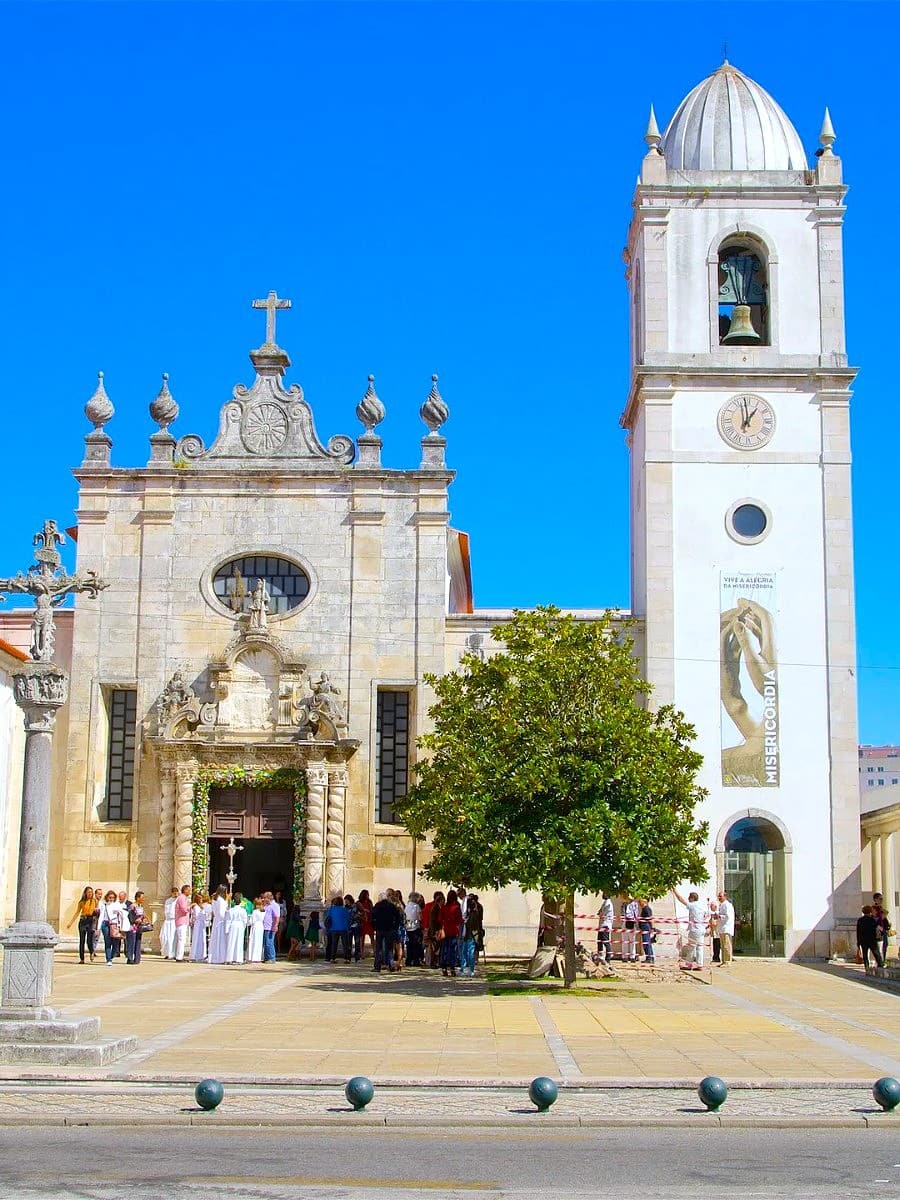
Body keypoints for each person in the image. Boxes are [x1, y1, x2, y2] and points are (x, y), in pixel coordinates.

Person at [673, 888, 710, 970]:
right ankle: (699, 964)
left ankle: (689, 964)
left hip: (694, 929)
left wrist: (675, 891)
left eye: (689, 897)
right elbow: (707, 915)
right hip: (701, 928)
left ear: (692, 898)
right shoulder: (702, 905)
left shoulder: (692, 905)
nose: (688, 899)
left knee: (691, 947)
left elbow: (680, 899)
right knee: (699, 947)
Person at [67, 885, 98, 963]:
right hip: (83, 921)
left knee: (89, 940)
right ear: (85, 893)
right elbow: (77, 912)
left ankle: (91, 952)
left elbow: (97, 912)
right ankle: (82, 958)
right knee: (82, 940)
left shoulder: (94, 901)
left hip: (90, 920)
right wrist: (70, 923)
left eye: (91, 892)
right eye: (88, 892)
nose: (90, 893)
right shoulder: (81, 902)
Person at [371, 891, 401, 971]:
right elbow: (398, 916)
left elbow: (372, 917)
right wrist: (395, 926)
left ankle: (377, 966)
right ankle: (391, 965)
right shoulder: (391, 906)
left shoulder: (377, 906)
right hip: (390, 929)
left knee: (379, 948)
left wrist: (374, 927)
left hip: (380, 929)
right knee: (389, 948)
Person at [440, 889, 463, 977]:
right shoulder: (456, 907)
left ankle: (444, 966)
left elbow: (440, 919)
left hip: (445, 930)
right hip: (453, 930)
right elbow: (459, 920)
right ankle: (452, 967)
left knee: (444, 949)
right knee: (452, 950)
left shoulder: (444, 907)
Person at [460, 894, 482, 977]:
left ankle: (469, 969)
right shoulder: (472, 914)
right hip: (468, 936)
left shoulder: (473, 915)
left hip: (470, 936)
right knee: (466, 952)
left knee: (469, 952)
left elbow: (473, 927)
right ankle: (466, 968)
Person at [325, 893, 351, 962]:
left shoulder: (330, 909)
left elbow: (327, 918)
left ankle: (333, 958)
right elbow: (348, 919)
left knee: (334, 944)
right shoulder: (345, 909)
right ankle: (347, 958)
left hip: (333, 928)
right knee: (345, 944)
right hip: (343, 928)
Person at [857, 904, 884, 970]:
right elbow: (877, 928)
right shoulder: (872, 920)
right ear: (870, 912)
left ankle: (867, 967)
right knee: (876, 953)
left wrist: (858, 941)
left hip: (863, 940)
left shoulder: (860, 920)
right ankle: (880, 965)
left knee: (865, 954)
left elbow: (858, 931)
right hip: (872, 939)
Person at [207, 885, 229, 965]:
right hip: (220, 921)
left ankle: (215, 956)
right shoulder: (220, 900)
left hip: (216, 920)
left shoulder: (214, 899)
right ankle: (220, 957)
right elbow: (221, 912)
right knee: (220, 939)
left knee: (216, 939)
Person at [225, 895, 249, 964]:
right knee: (239, 942)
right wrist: (243, 926)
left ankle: (230, 958)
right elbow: (245, 920)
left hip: (233, 925)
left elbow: (228, 920)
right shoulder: (243, 910)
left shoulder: (231, 910)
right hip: (240, 926)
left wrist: (227, 929)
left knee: (231, 942)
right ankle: (238, 959)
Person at [125, 891, 147, 964]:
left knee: (138, 941)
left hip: (139, 926)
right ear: (137, 898)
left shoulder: (140, 906)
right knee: (132, 942)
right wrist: (136, 920)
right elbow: (130, 916)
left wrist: (143, 919)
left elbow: (141, 915)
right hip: (133, 927)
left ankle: (137, 958)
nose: (143, 899)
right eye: (142, 897)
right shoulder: (132, 906)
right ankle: (130, 957)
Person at [716, 890, 735, 967]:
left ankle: (727, 961)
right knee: (723, 945)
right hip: (722, 928)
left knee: (727, 945)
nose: (719, 898)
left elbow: (728, 916)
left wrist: (719, 916)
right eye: (719, 896)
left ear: (725, 896)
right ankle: (724, 961)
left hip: (726, 928)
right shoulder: (721, 905)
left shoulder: (727, 905)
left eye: (721, 896)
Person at [426, 891, 445, 968]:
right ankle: (433, 963)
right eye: (443, 901)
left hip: (436, 930)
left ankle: (435, 962)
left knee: (436, 947)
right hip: (435, 931)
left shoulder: (436, 908)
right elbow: (433, 921)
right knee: (435, 948)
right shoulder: (435, 909)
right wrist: (434, 932)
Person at [173, 884, 192, 961]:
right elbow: (184, 909)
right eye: (189, 890)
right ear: (185, 890)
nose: (190, 891)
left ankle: (179, 955)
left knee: (181, 939)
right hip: (181, 921)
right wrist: (190, 906)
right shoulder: (182, 898)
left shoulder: (184, 898)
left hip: (183, 921)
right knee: (181, 939)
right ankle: (179, 957)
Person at [405, 893, 424, 967]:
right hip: (415, 927)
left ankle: (408, 960)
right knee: (416, 945)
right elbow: (420, 917)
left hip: (408, 926)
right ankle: (416, 960)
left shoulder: (407, 906)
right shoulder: (417, 906)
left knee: (409, 945)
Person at [873, 893, 892, 963]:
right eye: (880, 899)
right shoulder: (875, 908)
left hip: (883, 929)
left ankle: (883, 959)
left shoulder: (880, 908)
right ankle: (879, 961)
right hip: (879, 930)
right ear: (875, 900)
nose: (882, 900)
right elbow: (876, 918)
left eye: (882, 899)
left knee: (885, 945)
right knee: (880, 946)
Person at [190, 893, 209, 962]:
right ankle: (195, 955)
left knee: (202, 939)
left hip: (202, 924)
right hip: (198, 924)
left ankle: (201, 955)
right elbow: (197, 916)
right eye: (200, 899)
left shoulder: (201, 907)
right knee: (197, 938)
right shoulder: (195, 907)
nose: (201, 900)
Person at [160, 887, 178, 960]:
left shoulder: (178, 900)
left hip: (174, 921)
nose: (175, 894)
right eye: (174, 892)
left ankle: (173, 953)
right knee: (164, 937)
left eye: (176, 892)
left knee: (173, 938)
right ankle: (167, 953)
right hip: (167, 921)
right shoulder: (168, 901)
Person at [262, 891, 281, 962]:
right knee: (265, 943)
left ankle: (272, 958)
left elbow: (277, 916)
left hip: (270, 927)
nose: (263, 899)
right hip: (265, 926)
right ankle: (267, 957)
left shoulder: (275, 905)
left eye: (265, 897)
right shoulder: (266, 905)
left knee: (269, 943)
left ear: (268, 898)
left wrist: (276, 925)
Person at [596, 892, 614, 964]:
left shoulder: (608, 903)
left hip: (605, 925)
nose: (602, 895)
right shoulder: (605, 902)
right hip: (602, 924)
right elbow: (600, 912)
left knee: (606, 942)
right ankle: (600, 956)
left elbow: (602, 913)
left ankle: (608, 957)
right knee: (599, 941)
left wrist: (600, 913)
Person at [621, 895, 639, 963]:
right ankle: (624, 956)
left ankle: (632, 957)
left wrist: (635, 922)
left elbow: (636, 914)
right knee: (624, 940)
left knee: (632, 941)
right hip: (625, 922)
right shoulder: (624, 904)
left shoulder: (634, 904)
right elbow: (622, 913)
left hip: (632, 923)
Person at [357, 889, 375, 959]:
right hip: (362, 922)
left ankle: (374, 951)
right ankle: (362, 953)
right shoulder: (359, 903)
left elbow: (372, 910)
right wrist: (363, 911)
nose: (368, 896)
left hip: (369, 921)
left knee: (372, 937)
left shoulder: (369, 902)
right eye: (367, 894)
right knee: (362, 938)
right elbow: (357, 911)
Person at [638, 898, 655, 965]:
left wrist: (652, 928)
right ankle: (649, 958)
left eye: (640, 903)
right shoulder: (645, 909)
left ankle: (649, 958)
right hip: (645, 927)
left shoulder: (646, 909)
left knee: (646, 943)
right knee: (647, 943)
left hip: (646, 927)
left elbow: (650, 918)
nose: (639, 904)